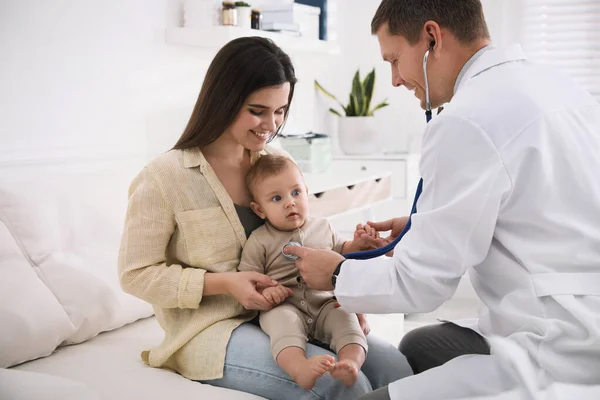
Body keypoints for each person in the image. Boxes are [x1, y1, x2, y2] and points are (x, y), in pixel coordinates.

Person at [284, 0, 600, 399]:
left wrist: (336, 274)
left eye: (396, 59)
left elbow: (423, 286)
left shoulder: (466, 120)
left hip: (559, 345)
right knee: (419, 346)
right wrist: (424, 223)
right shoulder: (555, 85)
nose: (396, 79)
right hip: (583, 313)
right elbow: (536, 205)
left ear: (432, 37)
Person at [118, 36, 412, 400]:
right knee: (336, 383)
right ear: (223, 99)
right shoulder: (164, 177)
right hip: (213, 330)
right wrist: (225, 283)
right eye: (257, 110)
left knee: (396, 368)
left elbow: (305, 238)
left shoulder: (272, 161)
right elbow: (136, 274)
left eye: (280, 111)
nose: (270, 124)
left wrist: (342, 298)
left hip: (296, 309)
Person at [238, 154, 380, 389]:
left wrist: (359, 244)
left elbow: (342, 252)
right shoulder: (259, 241)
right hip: (285, 305)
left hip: (325, 303)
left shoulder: (323, 226)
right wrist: (268, 291)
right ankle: (299, 368)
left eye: (296, 193)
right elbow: (249, 280)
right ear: (259, 209)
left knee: (347, 319)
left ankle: (351, 363)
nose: (289, 202)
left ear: (306, 191)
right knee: (282, 324)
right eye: (276, 198)